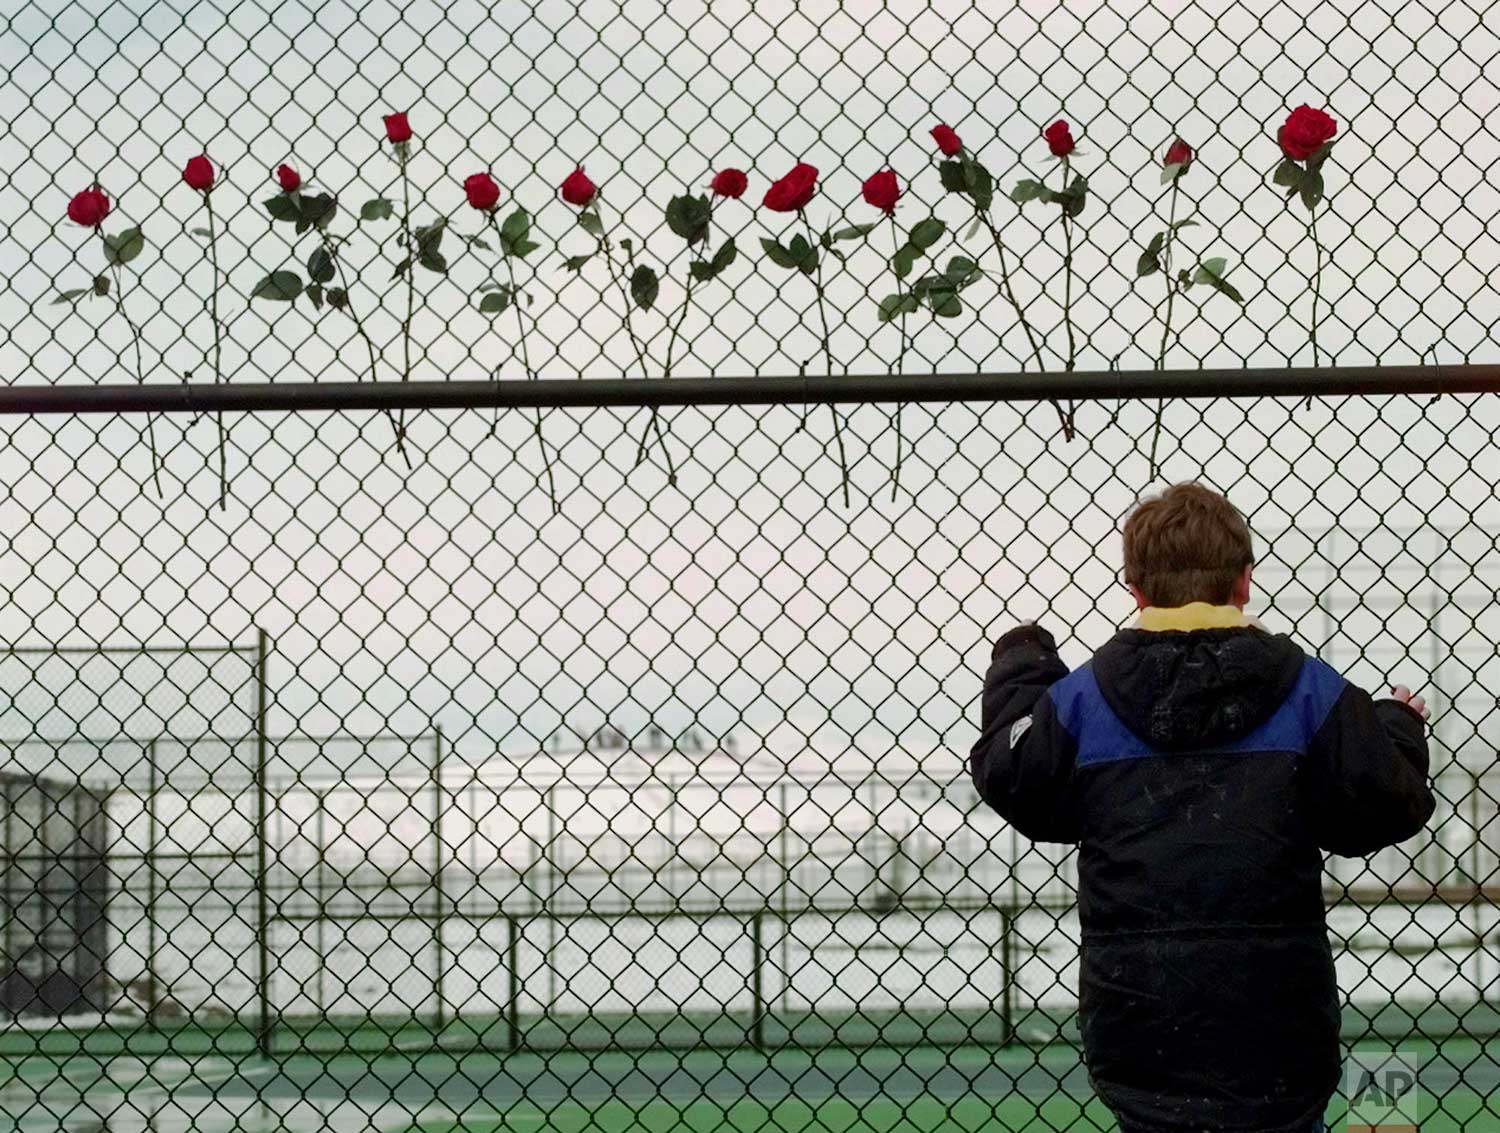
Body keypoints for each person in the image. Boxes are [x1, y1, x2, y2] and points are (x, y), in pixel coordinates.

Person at [970, 482, 1434, 1133]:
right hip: (1279, 1030)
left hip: (1139, 1027)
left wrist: (1023, 661)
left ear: (1134, 588)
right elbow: (1386, 803)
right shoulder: (1309, 690)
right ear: (1244, 582)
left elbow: (1013, 775)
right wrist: (1397, 728)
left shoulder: (1085, 702)